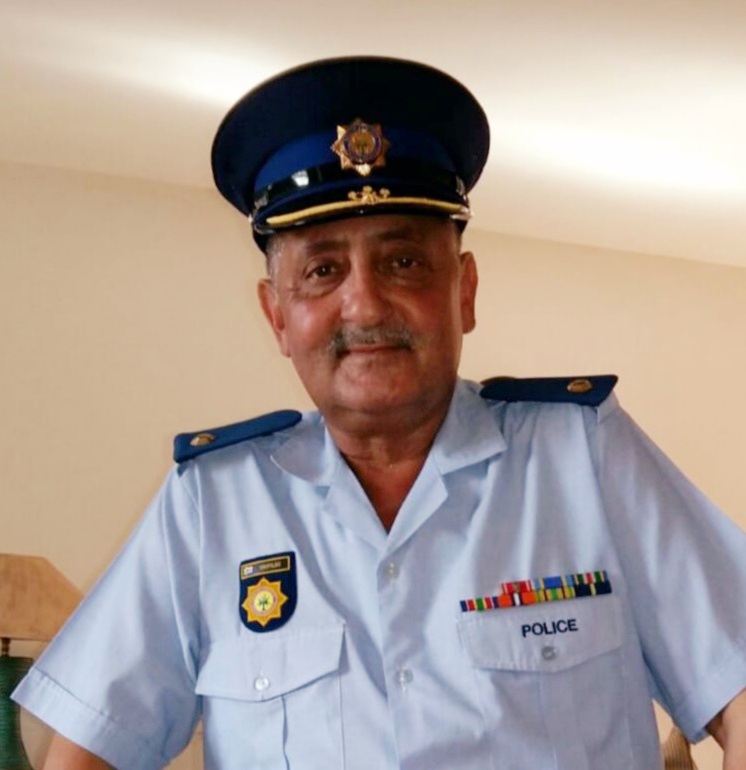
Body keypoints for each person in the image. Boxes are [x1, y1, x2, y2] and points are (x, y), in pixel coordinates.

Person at [13, 56, 746, 770]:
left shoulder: (581, 453)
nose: (363, 305)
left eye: (403, 262)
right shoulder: (213, 502)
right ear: (277, 317)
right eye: (322, 270)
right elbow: (87, 745)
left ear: (464, 292)